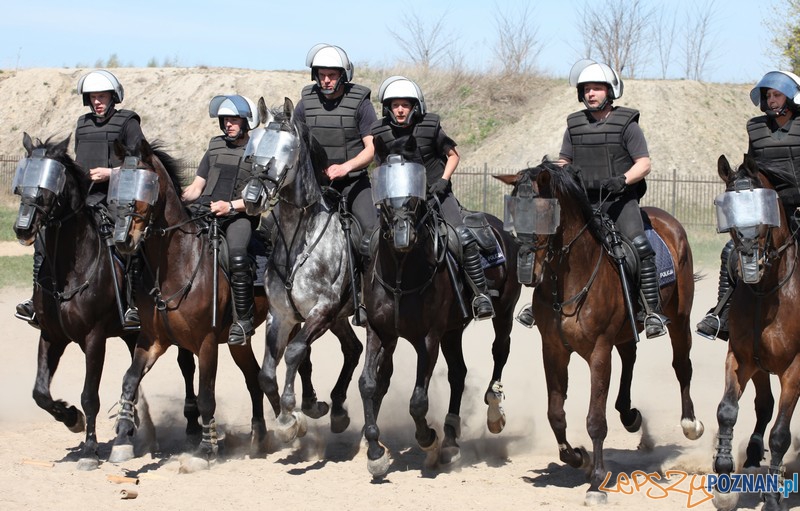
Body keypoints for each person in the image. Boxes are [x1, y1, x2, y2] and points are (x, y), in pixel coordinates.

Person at [520, 59, 668, 338]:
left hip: (620, 200)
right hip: (583, 202)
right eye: (586, 89)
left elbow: (644, 163)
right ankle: (536, 305)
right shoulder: (574, 125)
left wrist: (622, 179)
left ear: (610, 91)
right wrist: (563, 173)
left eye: (597, 88)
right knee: (549, 241)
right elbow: (564, 161)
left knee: (639, 246)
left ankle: (651, 312)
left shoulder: (628, 124)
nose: (591, 94)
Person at [15, 69, 144, 329]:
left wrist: (111, 173)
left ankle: (132, 304)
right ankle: (36, 298)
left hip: (117, 197)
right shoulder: (82, 123)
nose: (97, 102)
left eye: (102, 96)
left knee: (124, 238)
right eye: (93, 97)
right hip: (84, 198)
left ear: (113, 97)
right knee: (44, 236)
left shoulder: (128, 122)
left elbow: (140, 161)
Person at [371, 76, 495, 320]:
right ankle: (368, 302)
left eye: (405, 105)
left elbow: (453, 155)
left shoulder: (431, 125)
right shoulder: (379, 131)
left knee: (461, 236)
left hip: (436, 195)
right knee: (371, 242)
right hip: (399, 205)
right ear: (388, 108)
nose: (399, 110)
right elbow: (380, 169)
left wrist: (443, 182)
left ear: (415, 106)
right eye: (395, 105)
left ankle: (480, 295)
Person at [697, 70, 800, 340]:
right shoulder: (756, 127)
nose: (771, 100)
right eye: (768, 95)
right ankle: (722, 314)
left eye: (777, 94)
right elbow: (753, 168)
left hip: (799, 207)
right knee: (732, 250)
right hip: (768, 209)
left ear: (791, 96)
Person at [294, 43, 378, 325]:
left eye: (332, 75)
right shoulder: (305, 101)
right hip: (316, 186)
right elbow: (295, 143)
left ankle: (367, 300)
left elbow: (371, 149)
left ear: (343, 75)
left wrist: (346, 167)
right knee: (275, 228)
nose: (326, 80)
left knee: (371, 233)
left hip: (353, 183)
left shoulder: (361, 102)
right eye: (322, 75)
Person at [182, 95, 261, 345]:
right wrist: (176, 199)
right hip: (205, 213)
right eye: (225, 119)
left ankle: (243, 321)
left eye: (234, 119)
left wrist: (230, 206)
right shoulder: (214, 146)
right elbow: (196, 187)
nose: (228, 124)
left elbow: (258, 197)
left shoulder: (257, 149)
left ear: (247, 121)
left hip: (239, 216)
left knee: (237, 255)